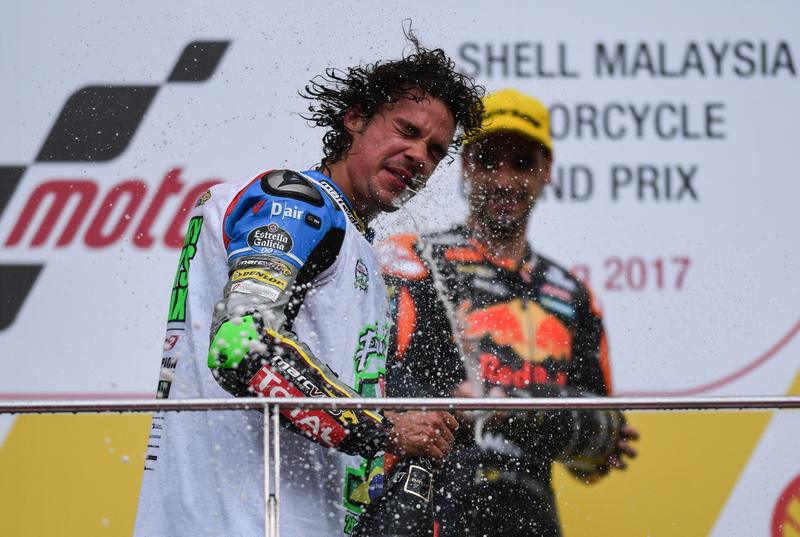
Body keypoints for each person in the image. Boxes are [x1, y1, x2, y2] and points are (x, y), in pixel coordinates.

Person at [134, 34, 484, 537]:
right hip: (243, 521)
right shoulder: (298, 201)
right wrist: (388, 430)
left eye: (434, 150)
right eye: (406, 130)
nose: (418, 157)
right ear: (356, 117)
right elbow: (241, 346)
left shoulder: (349, 238)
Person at [380, 88, 639, 537]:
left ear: (546, 172)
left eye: (521, 164)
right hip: (428, 513)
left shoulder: (574, 295)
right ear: (465, 167)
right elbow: (378, 387)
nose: (503, 180)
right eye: (488, 162)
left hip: (533, 520)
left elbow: (599, 453)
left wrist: (509, 409)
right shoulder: (416, 260)